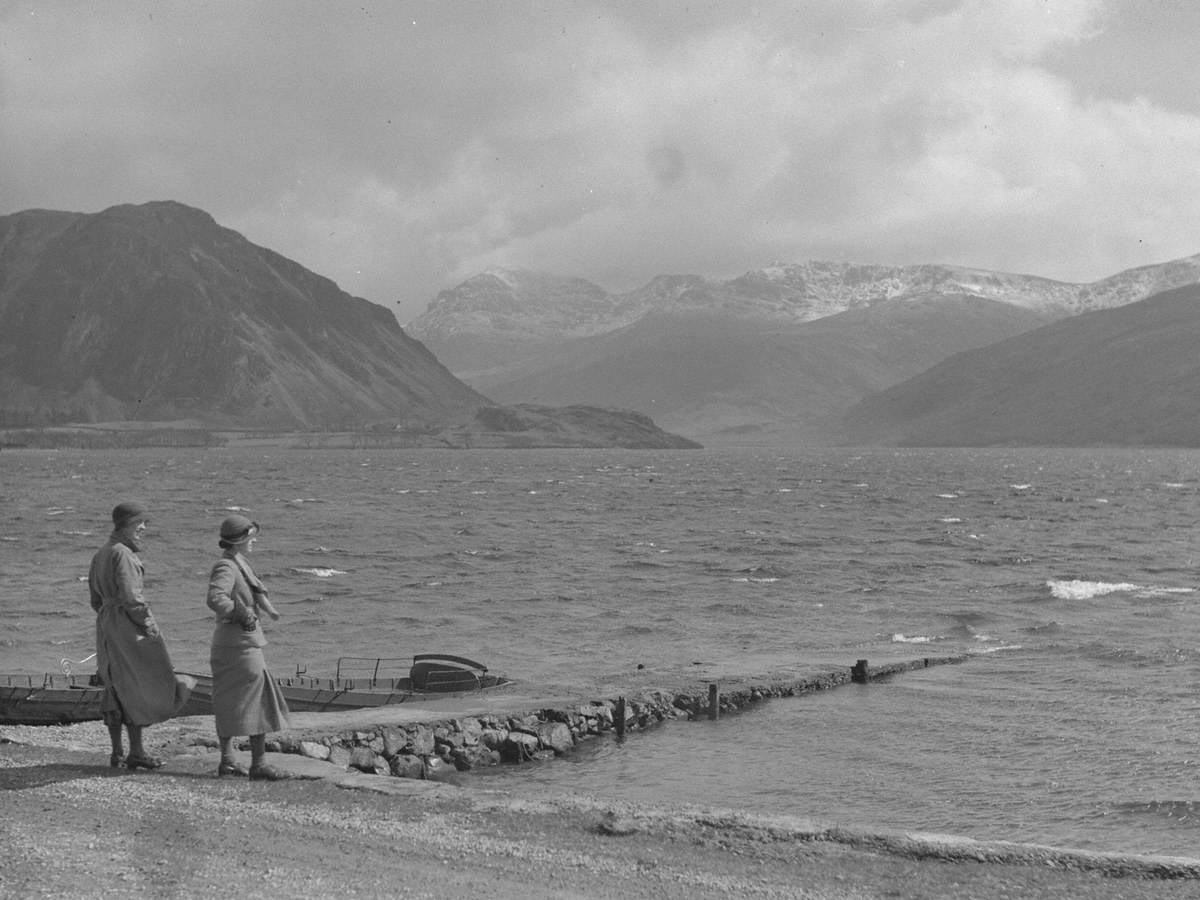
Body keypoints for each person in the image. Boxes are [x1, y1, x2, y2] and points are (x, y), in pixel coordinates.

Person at [89, 502, 194, 770]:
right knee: (141, 683)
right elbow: (132, 598)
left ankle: (117, 752)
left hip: (106, 623)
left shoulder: (101, 553)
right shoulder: (123, 555)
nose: (143, 528)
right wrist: (148, 626)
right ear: (126, 525)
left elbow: (94, 600)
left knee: (115, 684)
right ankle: (136, 751)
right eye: (139, 524)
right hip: (127, 625)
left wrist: (109, 617)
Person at [206, 514, 291, 780]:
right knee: (258, 697)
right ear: (240, 539)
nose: (253, 542)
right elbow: (215, 598)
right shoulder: (227, 567)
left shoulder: (237, 562)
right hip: (239, 645)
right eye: (250, 537)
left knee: (230, 699)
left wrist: (262, 611)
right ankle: (258, 763)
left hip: (236, 644)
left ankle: (229, 761)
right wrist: (240, 613)